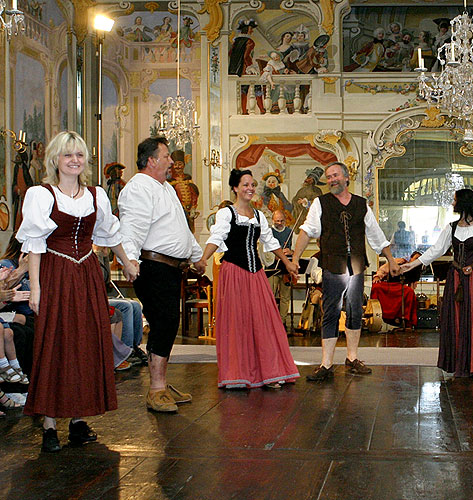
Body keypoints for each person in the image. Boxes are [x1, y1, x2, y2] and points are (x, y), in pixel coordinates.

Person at [16, 131, 139, 453]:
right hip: (55, 275)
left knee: (85, 345)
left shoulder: (97, 195)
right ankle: (49, 425)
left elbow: (109, 234)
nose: (74, 160)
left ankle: (78, 421)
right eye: (68, 155)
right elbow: (34, 247)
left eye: (79, 155)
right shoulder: (40, 195)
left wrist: (126, 263)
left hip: (86, 276)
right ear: (55, 159)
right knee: (55, 344)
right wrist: (37, 290)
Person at [118, 136, 206, 413]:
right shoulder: (138, 188)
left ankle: (163, 384)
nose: (171, 161)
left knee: (168, 324)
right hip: (153, 267)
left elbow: (179, 227)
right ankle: (156, 389)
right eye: (166, 156)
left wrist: (196, 256)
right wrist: (130, 261)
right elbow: (130, 228)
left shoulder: (165, 187)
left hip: (170, 268)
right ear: (152, 160)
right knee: (163, 323)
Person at [290, 162, 400, 381]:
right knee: (330, 312)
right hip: (332, 265)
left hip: (357, 266)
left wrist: (391, 260)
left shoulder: (361, 205)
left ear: (346, 178)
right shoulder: (320, 203)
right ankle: (326, 364)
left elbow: (377, 235)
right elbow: (307, 231)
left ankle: (352, 358)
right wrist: (294, 258)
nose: (332, 180)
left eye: (335, 175)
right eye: (329, 177)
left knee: (355, 311)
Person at [201, 169, 299, 389]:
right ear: (235, 187)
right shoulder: (227, 214)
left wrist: (288, 263)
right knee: (238, 322)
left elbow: (271, 242)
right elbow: (217, 237)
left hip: (256, 275)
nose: (250, 188)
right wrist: (203, 259)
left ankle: (269, 372)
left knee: (264, 321)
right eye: (245, 184)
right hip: (234, 271)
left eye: (252, 185)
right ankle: (238, 373)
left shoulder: (258, 215)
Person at [400, 189, 473, 376]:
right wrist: (413, 265)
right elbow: (436, 250)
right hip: (456, 278)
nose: (452, 203)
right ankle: (460, 363)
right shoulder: (451, 227)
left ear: (464, 202)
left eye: (455, 200)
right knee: (457, 318)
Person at [266, 210, 294, 326]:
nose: (279, 223)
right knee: (270, 295)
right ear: (273, 220)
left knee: (285, 297)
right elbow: (265, 251)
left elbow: (294, 250)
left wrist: (290, 252)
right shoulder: (268, 232)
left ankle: (282, 321)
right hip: (272, 268)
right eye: (277, 221)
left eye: (282, 220)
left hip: (285, 269)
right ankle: (270, 321)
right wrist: (277, 255)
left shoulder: (289, 232)